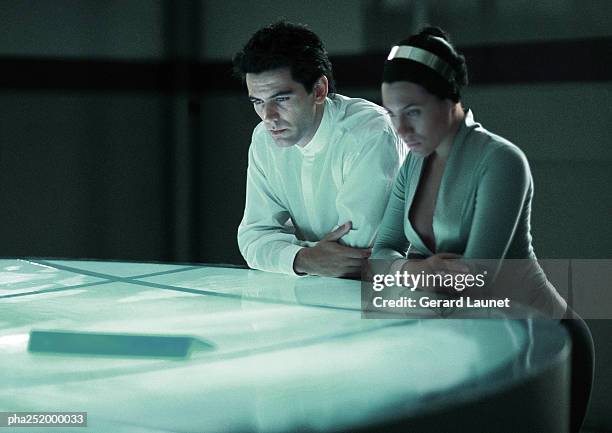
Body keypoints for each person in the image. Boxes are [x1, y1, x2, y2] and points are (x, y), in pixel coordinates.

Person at [372, 26, 593, 433]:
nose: (400, 130)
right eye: (392, 115)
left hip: (542, 338)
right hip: (473, 342)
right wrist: (418, 271)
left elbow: (475, 280)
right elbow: (380, 254)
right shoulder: (413, 164)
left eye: (414, 112)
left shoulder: (502, 161)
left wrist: (407, 271)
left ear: (450, 99)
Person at [234, 21, 406, 277]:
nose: (268, 117)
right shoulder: (263, 140)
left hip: (397, 290)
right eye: (258, 102)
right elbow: (252, 237)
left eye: (281, 99)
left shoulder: (370, 132)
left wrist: (286, 254)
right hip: (317, 292)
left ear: (318, 90)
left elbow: (357, 252)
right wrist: (303, 259)